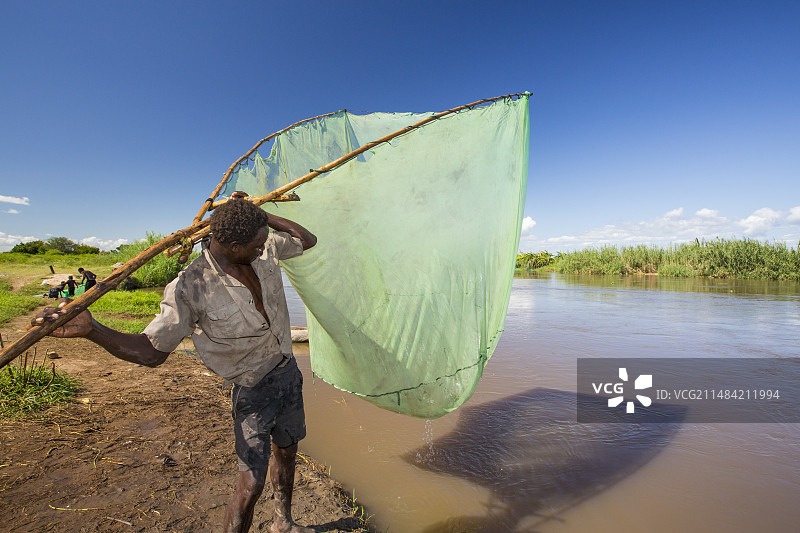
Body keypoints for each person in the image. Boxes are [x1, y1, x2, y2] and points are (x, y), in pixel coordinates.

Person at [31, 197, 317, 533]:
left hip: (288, 373)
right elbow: (151, 351)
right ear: (235, 246)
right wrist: (94, 330)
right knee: (250, 485)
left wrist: (262, 215)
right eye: (256, 243)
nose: (263, 247)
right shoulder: (191, 286)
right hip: (253, 389)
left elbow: (306, 240)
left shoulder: (262, 247)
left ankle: (283, 523)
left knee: (287, 450)